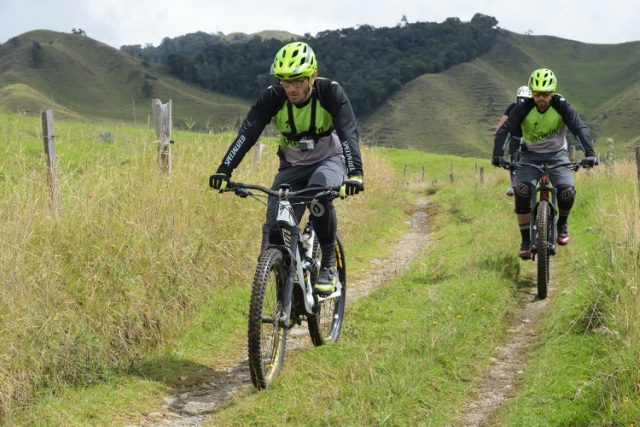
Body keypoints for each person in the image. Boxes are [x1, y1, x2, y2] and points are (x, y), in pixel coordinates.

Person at [209, 41, 364, 296]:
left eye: (297, 81)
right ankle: (286, 291)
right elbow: (249, 132)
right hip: (291, 166)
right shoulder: (275, 96)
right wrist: (224, 170)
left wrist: (356, 173)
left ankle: (327, 264)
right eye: (284, 81)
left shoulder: (329, 92)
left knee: (320, 194)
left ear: (312, 76)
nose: (290, 88)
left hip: (329, 160)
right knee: (275, 226)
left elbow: (348, 131)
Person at [491, 68, 597, 260]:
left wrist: (590, 153)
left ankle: (562, 223)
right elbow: (506, 129)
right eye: (537, 93)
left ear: (552, 92)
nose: (541, 98)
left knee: (566, 191)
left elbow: (579, 128)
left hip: (557, 155)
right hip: (529, 155)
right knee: (521, 190)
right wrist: (497, 154)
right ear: (532, 92)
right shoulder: (523, 108)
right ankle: (525, 241)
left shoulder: (561, 105)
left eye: (545, 93)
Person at [494, 86, 532, 196]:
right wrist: (498, 131)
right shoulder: (513, 106)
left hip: (529, 137)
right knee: (513, 160)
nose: (522, 101)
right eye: (520, 98)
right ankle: (513, 184)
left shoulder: (532, 108)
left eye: (525, 98)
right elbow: (504, 119)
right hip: (515, 136)